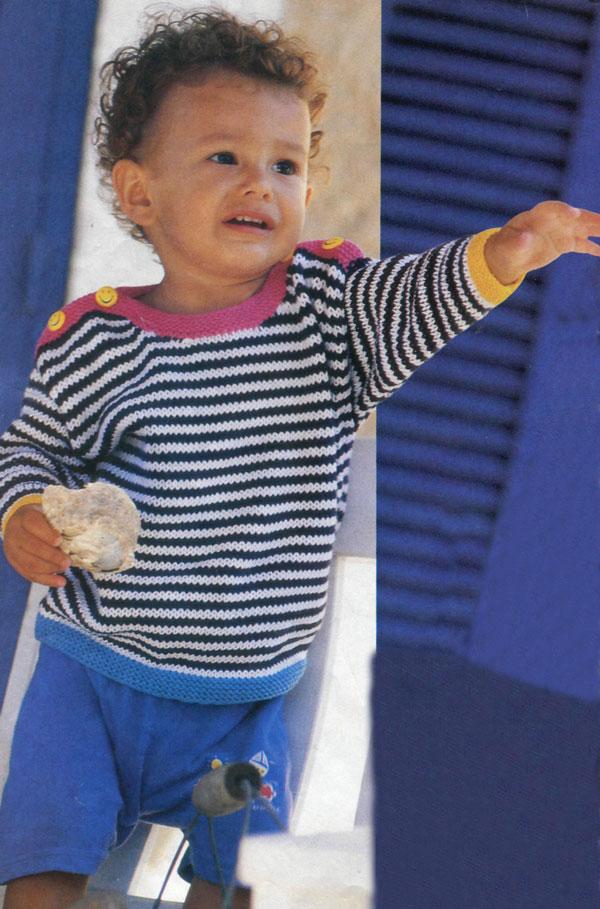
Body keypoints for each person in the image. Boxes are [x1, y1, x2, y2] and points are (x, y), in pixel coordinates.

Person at [0, 10, 599, 909]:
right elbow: (33, 450)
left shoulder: (328, 312)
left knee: (245, 877)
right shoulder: (94, 339)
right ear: (139, 192)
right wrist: (22, 514)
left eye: (286, 164)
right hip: (92, 680)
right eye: (224, 156)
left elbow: (415, 296)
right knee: (44, 870)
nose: (262, 181)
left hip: (240, 709)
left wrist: (503, 256)